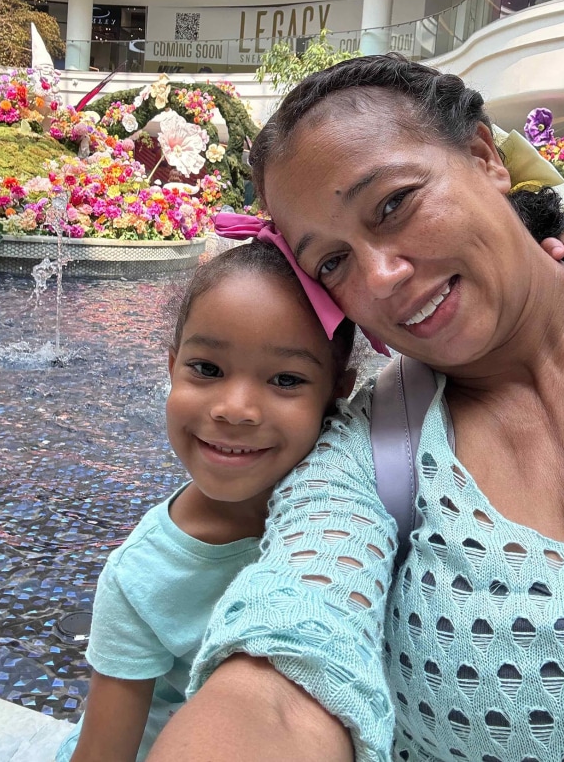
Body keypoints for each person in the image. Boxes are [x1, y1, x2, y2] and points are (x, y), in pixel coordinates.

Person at [149, 56, 564, 762]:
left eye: (393, 204)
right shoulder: (369, 450)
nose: (380, 277)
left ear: (485, 157)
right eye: (333, 263)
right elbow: (288, 660)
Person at [56, 240, 356, 762]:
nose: (235, 409)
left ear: (337, 393)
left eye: (286, 379)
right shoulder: (142, 578)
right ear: (172, 366)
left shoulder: (355, 505)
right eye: (208, 369)